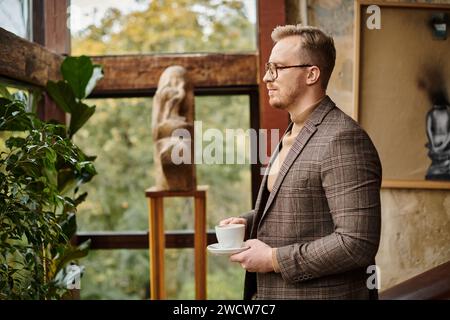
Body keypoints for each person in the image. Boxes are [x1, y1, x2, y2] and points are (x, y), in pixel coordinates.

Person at [220, 25, 382, 300]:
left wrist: (273, 259)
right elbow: (301, 205)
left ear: (311, 74)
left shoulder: (343, 139)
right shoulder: (296, 130)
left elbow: (357, 243)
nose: (266, 77)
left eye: (277, 68)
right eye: (268, 68)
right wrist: (249, 221)